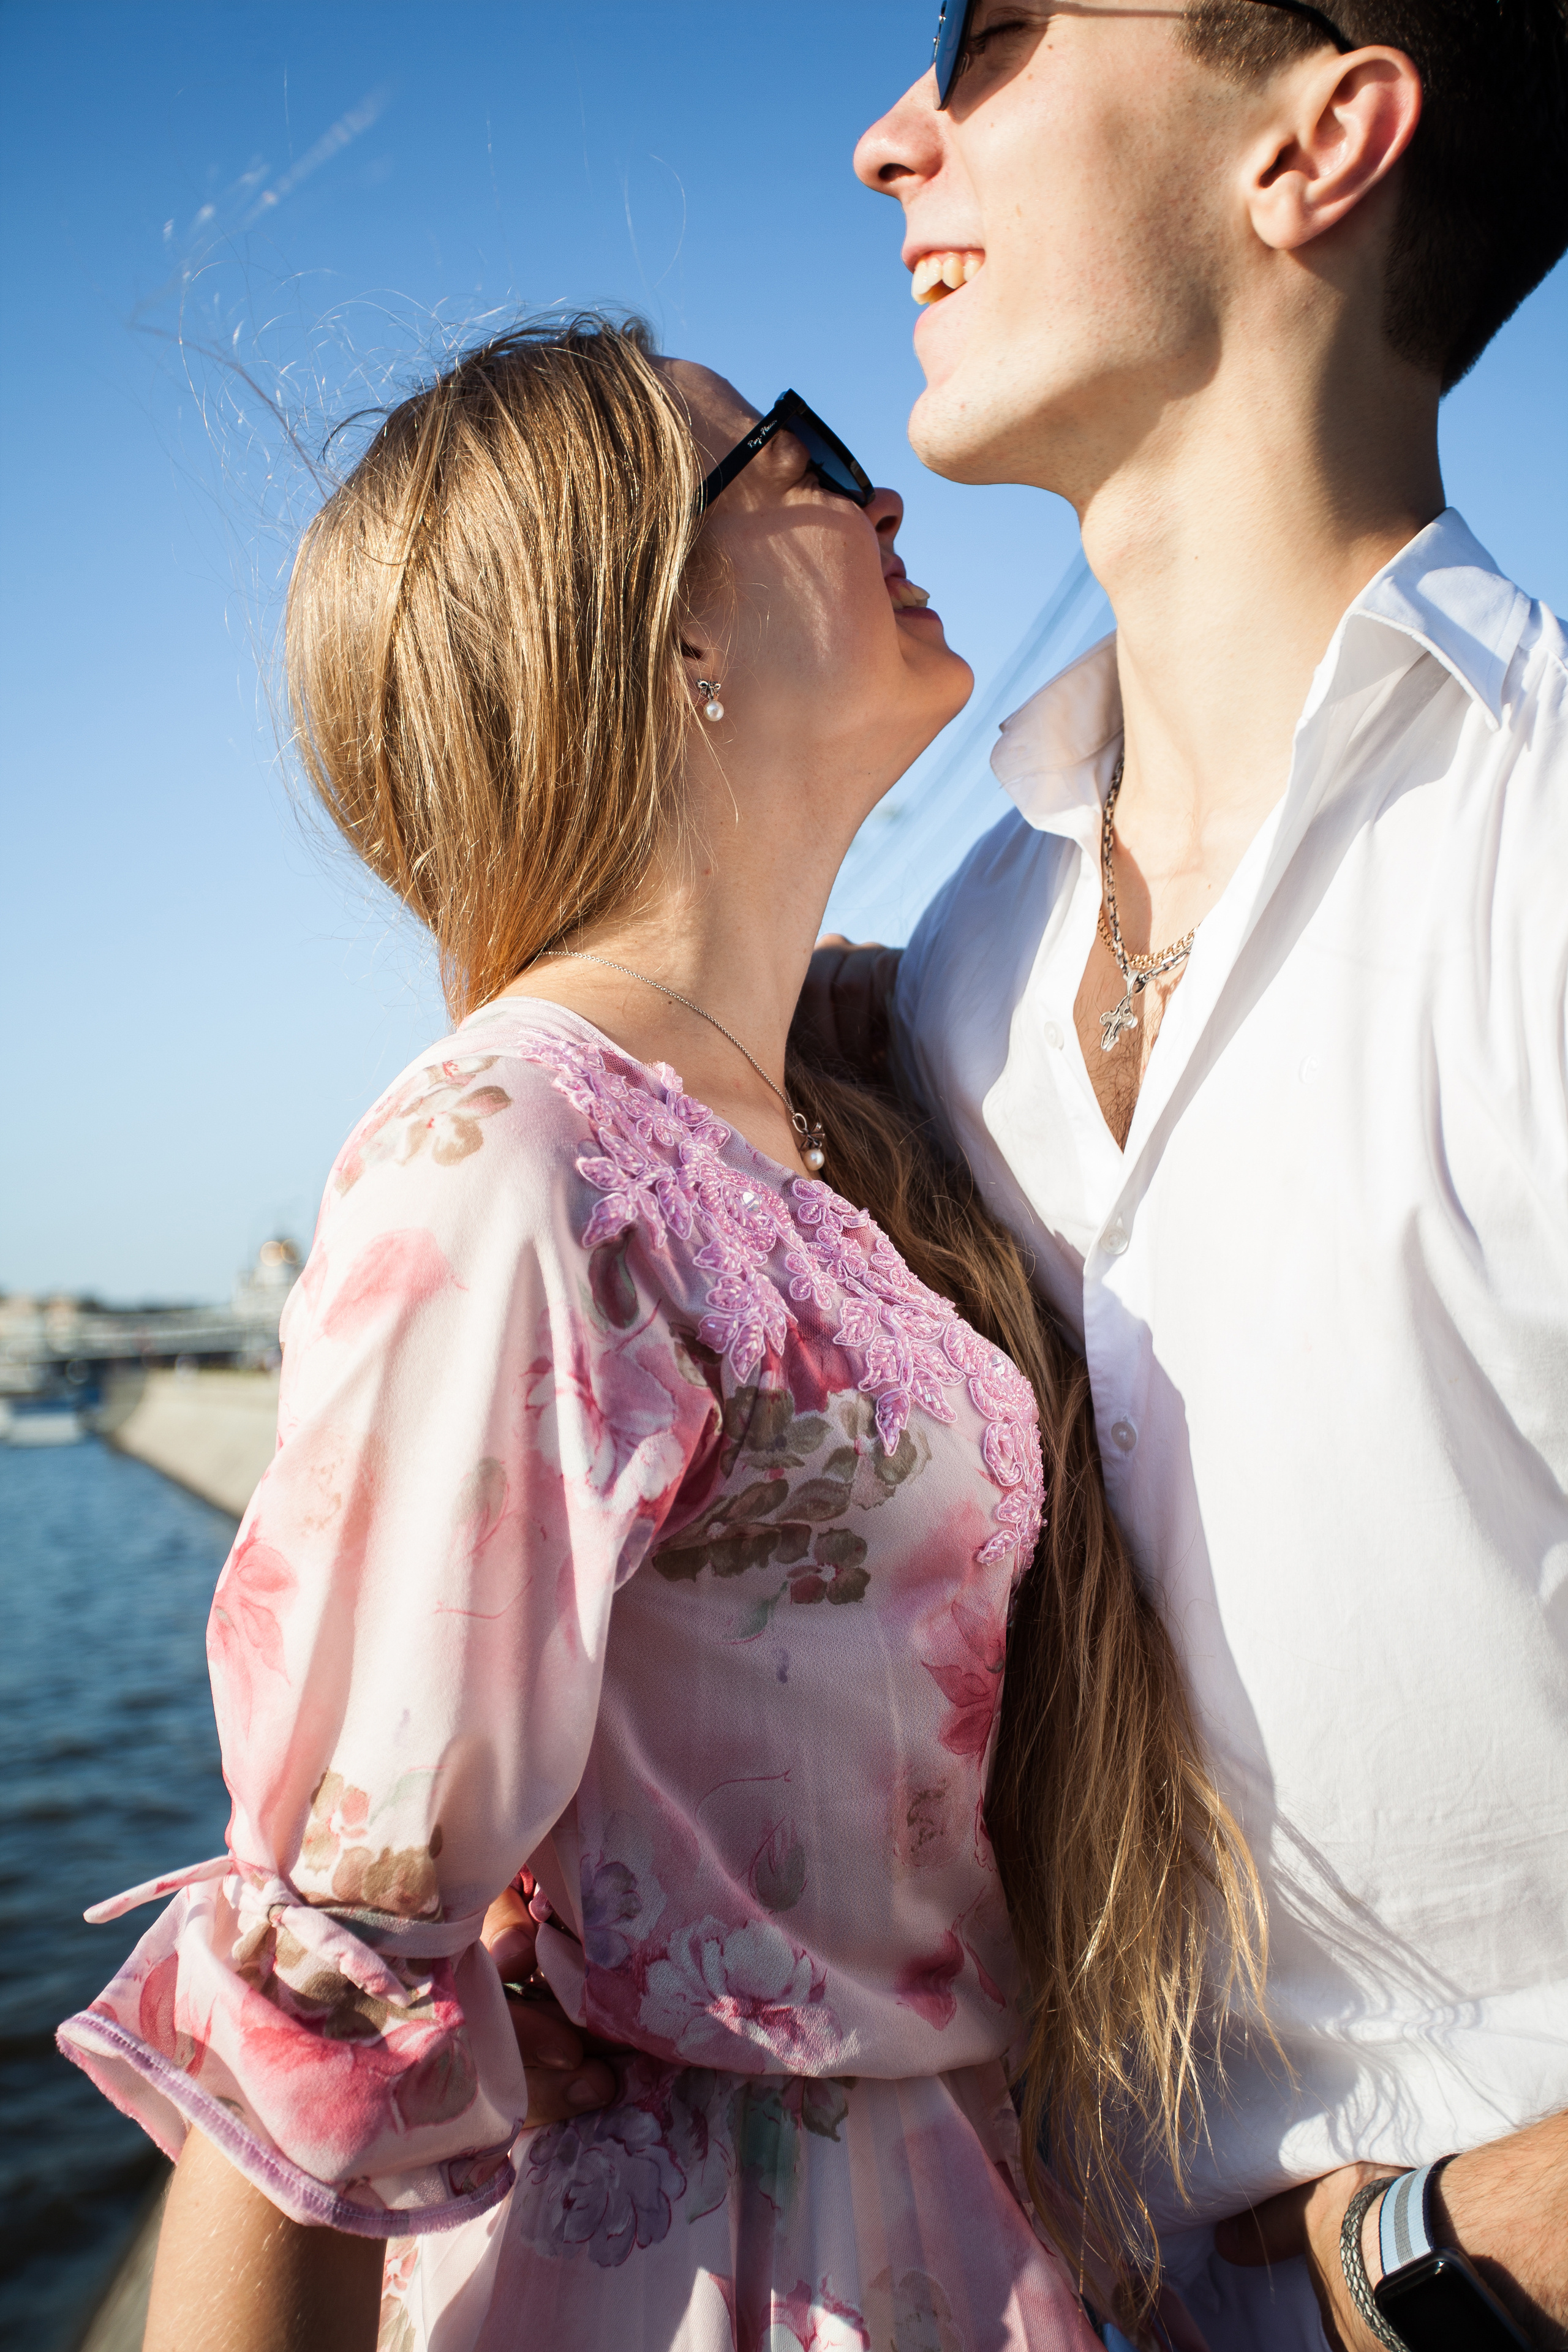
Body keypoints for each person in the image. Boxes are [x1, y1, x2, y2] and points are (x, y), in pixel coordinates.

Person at [58, 319, 1261, 2352]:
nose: (879, 484)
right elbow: (327, 1986)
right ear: (658, 630)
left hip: (960, 2218)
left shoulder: (852, 1088)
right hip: (712, 2278)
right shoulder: (506, 1159)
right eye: (787, 451)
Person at [805, 4, 1568, 2349]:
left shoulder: (1538, 859)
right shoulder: (960, 974)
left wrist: (1451, 2253)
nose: (886, 138)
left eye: (1002, 36)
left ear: (1320, 141)